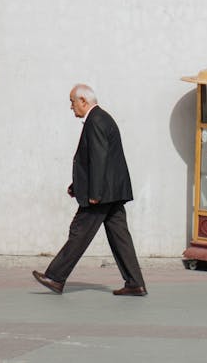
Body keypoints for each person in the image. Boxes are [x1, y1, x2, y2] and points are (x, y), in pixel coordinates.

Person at [32, 84, 147, 297]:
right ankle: (135, 283)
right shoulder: (101, 118)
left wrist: (94, 193)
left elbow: (99, 158)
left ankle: (55, 277)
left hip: (102, 195)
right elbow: (96, 159)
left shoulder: (96, 121)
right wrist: (77, 186)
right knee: (120, 237)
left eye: (72, 101)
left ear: (83, 101)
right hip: (111, 192)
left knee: (79, 233)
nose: (71, 107)